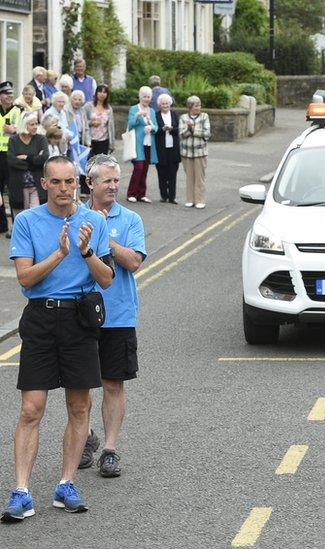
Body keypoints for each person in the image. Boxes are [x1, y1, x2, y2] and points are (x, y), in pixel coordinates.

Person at [1, 155, 113, 522]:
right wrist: (59, 253)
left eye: (70, 182)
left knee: (79, 407)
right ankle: (21, 491)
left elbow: (107, 278)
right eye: (57, 182)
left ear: (77, 184)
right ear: (45, 184)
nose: (65, 189)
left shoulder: (94, 221)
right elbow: (26, 279)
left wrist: (85, 251)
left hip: (79, 319)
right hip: (41, 318)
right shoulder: (27, 222)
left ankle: (66, 484)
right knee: (32, 408)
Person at [77, 155, 146, 477]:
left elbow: (133, 262)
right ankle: (85, 436)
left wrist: (104, 234)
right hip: (79, 314)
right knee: (79, 385)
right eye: (107, 181)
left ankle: (110, 449)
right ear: (89, 183)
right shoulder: (75, 217)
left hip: (118, 314)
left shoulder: (130, 219)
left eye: (117, 180)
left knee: (113, 384)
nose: (114, 186)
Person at [8, 113, 49, 211]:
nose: (35, 127)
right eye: (32, 124)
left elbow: (44, 158)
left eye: (36, 124)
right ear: (24, 125)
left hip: (36, 184)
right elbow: (12, 161)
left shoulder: (41, 139)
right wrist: (35, 162)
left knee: (36, 214)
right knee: (21, 215)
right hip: (19, 184)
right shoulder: (13, 140)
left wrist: (26, 157)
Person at [125, 86, 157, 203]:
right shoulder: (134, 109)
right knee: (138, 168)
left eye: (148, 97)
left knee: (145, 169)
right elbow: (131, 124)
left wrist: (151, 127)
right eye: (144, 96)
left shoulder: (152, 111)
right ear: (140, 97)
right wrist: (138, 116)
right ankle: (131, 193)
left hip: (148, 143)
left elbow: (156, 127)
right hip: (137, 143)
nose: (146, 99)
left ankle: (141, 194)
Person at [179, 96, 210, 209]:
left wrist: (193, 129)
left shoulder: (204, 116)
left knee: (199, 177)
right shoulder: (183, 117)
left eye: (199, 105)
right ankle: (190, 199)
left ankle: (200, 200)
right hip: (186, 152)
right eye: (196, 105)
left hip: (200, 152)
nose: (198, 107)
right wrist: (188, 129)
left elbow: (207, 134)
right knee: (189, 177)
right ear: (190, 107)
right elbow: (181, 134)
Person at [0, 80, 20, 237]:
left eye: (11, 94)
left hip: (11, 154)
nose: (9, 96)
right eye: (6, 93)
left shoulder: (18, 110)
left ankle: (15, 226)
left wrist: (14, 130)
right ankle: (2, 224)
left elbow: (24, 131)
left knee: (13, 190)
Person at [153, 94, 180, 205]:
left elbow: (179, 129)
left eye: (167, 103)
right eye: (163, 103)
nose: (165, 105)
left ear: (170, 104)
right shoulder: (156, 115)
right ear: (159, 105)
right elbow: (154, 130)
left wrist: (171, 129)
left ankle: (172, 197)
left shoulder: (174, 114)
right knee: (162, 173)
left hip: (173, 149)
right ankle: (164, 195)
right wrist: (162, 129)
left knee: (173, 174)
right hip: (161, 149)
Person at [81, 85, 114, 157]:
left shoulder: (108, 108)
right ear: (96, 93)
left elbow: (111, 127)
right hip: (90, 140)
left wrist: (112, 144)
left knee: (101, 163)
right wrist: (91, 123)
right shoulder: (88, 106)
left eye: (105, 92)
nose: (102, 94)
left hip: (104, 140)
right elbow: (82, 121)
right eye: (100, 92)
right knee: (90, 163)